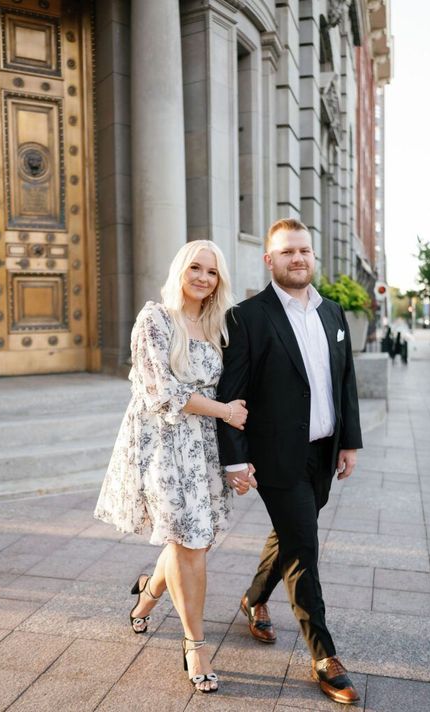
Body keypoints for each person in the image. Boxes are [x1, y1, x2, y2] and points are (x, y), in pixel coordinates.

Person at [217, 218, 363, 705]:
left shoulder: (334, 313)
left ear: (312, 256)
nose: (297, 259)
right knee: (304, 548)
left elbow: (345, 384)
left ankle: (253, 598)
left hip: (323, 451)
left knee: (291, 533)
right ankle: (324, 655)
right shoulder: (247, 317)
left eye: (304, 251)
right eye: (287, 253)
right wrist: (236, 462)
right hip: (277, 456)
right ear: (269, 260)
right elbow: (231, 394)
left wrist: (349, 442)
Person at [94, 240, 248, 694]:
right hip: (164, 444)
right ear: (180, 269)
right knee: (190, 543)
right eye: (195, 267)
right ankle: (195, 644)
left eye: (213, 272)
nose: (203, 277)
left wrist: (238, 448)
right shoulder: (154, 319)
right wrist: (223, 411)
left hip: (203, 447)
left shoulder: (218, 325)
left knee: (188, 539)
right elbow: (160, 391)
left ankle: (146, 595)